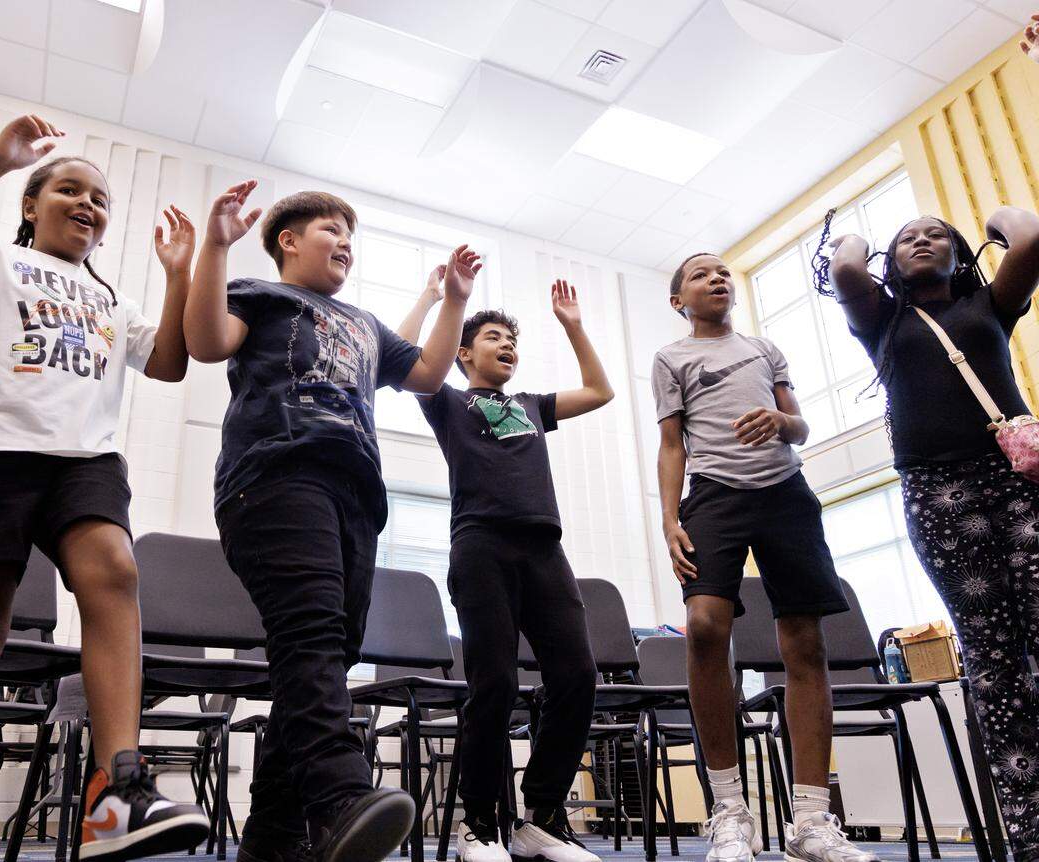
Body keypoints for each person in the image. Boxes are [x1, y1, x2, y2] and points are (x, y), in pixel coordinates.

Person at [0, 115, 209, 862]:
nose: (88, 204)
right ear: (32, 204)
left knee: (117, 571)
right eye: (70, 188)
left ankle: (118, 790)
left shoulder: (109, 299)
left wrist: (178, 273)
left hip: (83, 460)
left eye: (100, 199)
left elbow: (167, 362)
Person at [184, 184, 482, 862]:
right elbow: (203, 342)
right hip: (276, 477)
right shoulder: (263, 295)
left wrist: (454, 298)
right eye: (330, 229)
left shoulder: (365, 323)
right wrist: (217, 245)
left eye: (351, 235)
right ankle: (341, 796)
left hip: (356, 497)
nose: (344, 242)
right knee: (312, 636)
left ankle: (273, 836)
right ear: (289, 240)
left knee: (327, 653)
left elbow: (430, 374)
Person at [825, 204, 1039, 862]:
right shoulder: (882, 321)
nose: (922, 240)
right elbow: (844, 265)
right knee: (992, 661)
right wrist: (864, 244)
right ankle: (1030, 832)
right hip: (936, 495)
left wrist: (995, 220)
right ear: (891, 263)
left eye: (937, 235)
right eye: (908, 238)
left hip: (1016, 484)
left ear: (959, 256)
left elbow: (1028, 236)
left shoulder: (992, 305)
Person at [653, 252, 875, 862]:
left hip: (785, 495)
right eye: (698, 274)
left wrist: (781, 421)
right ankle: (728, 810)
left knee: (803, 641)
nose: (715, 279)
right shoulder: (672, 358)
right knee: (703, 627)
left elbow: (801, 427)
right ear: (679, 301)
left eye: (721, 271)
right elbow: (672, 445)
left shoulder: (764, 349)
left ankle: (811, 820)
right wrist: (670, 518)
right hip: (715, 497)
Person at [396, 276, 612, 862]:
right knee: (495, 683)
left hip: (544, 549)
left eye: (512, 339)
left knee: (577, 675)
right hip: (481, 545)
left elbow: (600, 390)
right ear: (464, 353)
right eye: (494, 337)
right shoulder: (446, 398)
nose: (507, 345)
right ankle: (481, 824)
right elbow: (402, 353)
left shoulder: (533, 406)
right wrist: (434, 300)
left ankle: (541, 819)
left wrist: (572, 325)